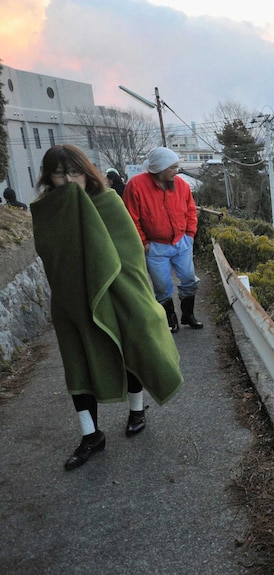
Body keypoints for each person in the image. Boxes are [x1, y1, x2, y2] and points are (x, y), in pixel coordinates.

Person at [31, 144, 184, 470]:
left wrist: (131, 295)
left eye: (74, 173)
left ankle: (137, 409)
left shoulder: (108, 202)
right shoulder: (49, 212)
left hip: (116, 293)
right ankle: (91, 435)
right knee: (78, 363)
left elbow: (129, 257)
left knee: (128, 346)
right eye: (60, 175)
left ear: (86, 173)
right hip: (70, 300)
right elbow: (52, 256)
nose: (69, 181)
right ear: (49, 178)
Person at [123, 147, 203, 332]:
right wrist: (143, 242)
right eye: (172, 167)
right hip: (155, 246)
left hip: (181, 241)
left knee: (189, 279)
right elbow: (131, 217)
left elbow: (191, 209)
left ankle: (188, 315)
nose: (176, 171)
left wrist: (190, 234)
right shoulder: (136, 186)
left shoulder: (181, 185)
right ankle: (170, 319)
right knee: (162, 285)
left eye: (176, 167)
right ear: (159, 168)